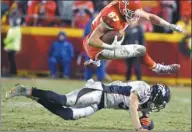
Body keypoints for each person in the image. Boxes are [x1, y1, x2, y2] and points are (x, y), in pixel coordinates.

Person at [6, 79, 171, 132]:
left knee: (67, 115)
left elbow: (144, 117)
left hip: (101, 105)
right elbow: (133, 107)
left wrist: (148, 125)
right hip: (99, 91)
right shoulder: (142, 88)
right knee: (64, 100)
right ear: (155, 95)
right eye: (159, 102)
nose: (158, 106)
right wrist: (139, 129)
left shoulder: (148, 102)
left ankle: (37, 98)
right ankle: (27, 90)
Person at [83, 0, 183, 74]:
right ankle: (158, 68)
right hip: (95, 47)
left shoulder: (125, 7)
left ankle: (95, 60)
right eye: (132, 14)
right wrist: (110, 47)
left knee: (125, 39)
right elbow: (92, 40)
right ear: (124, 9)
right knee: (134, 45)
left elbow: (150, 17)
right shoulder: (112, 17)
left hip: (100, 40)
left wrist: (170, 25)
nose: (135, 18)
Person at [3, 10, 22, 76]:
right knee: (11, 60)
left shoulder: (14, 29)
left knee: (11, 60)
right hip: (13, 46)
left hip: (12, 47)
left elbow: (10, 38)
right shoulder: (16, 28)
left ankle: (13, 72)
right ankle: (12, 72)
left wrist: (4, 41)